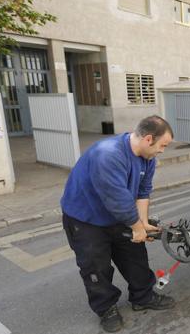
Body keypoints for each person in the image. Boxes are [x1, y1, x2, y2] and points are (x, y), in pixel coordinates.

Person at [61, 116, 176, 332]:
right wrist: (136, 227)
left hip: (120, 216)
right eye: (163, 145)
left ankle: (143, 296)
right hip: (86, 219)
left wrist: (142, 223)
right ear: (149, 139)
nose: (162, 150)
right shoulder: (108, 154)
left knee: (135, 255)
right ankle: (106, 308)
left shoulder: (147, 158)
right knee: (96, 266)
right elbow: (118, 201)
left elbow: (142, 191)